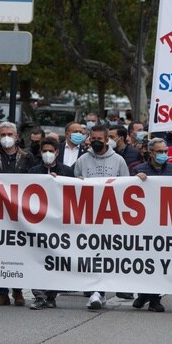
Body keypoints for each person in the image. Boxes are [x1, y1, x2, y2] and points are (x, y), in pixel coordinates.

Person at [74, 125, 130, 309]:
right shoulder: (82, 160)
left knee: (105, 254)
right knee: (90, 253)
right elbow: (74, 186)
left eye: (100, 138)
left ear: (107, 140)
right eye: (93, 138)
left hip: (110, 216)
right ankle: (94, 290)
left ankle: (99, 291)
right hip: (88, 215)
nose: (96, 141)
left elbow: (126, 187)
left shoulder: (119, 161)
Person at [0, 122, 34, 306]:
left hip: (20, 213)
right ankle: (2, 292)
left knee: (19, 251)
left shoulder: (27, 157)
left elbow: (35, 180)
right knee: (1, 250)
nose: (6, 137)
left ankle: (18, 291)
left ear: (17, 136)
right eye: (3, 134)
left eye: (10, 133)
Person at [131, 138, 172, 313]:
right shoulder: (139, 170)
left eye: (165, 151)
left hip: (166, 223)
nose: (163, 154)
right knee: (145, 261)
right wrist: (135, 180)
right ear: (150, 153)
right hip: (145, 223)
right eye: (159, 152)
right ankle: (145, 295)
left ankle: (153, 298)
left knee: (160, 262)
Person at [27, 137, 74, 310]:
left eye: (51, 151)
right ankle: (39, 296)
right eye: (44, 151)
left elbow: (74, 193)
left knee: (55, 260)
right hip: (37, 223)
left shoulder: (66, 171)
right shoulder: (33, 172)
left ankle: (51, 295)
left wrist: (59, 181)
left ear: (57, 152)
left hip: (59, 224)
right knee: (37, 258)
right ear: (40, 153)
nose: (48, 154)